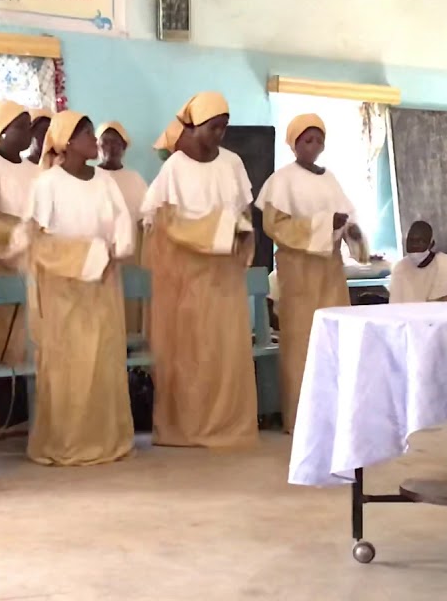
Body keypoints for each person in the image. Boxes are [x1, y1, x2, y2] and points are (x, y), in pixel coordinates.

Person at [141, 91, 259, 448]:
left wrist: (238, 230)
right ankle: (187, 426)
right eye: (212, 128)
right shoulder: (174, 167)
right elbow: (166, 224)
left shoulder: (233, 164)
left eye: (223, 129)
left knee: (224, 349)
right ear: (192, 128)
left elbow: (244, 214)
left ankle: (228, 423)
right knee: (191, 352)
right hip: (184, 277)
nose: (218, 136)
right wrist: (219, 229)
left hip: (224, 277)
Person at [23, 110, 136, 466]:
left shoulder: (104, 181)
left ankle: (106, 439)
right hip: (63, 288)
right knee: (69, 366)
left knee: (104, 360)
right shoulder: (47, 184)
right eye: (86, 133)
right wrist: (84, 257)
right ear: (67, 141)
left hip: (103, 284)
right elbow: (37, 241)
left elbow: (122, 224)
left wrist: (115, 249)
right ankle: (68, 441)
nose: (94, 140)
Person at [255, 113, 359, 433]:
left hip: (330, 268)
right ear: (294, 143)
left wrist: (352, 233)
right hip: (298, 269)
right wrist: (324, 224)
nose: (313, 146)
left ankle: (334, 415)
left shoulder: (330, 179)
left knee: (334, 338)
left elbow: (349, 221)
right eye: (306, 140)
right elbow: (275, 226)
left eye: (318, 140)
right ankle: (302, 417)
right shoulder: (281, 180)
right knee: (301, 341)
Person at [0, 100, 38, 373]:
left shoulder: (33, 169)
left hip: (32, 258)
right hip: (2, 260)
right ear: (1, 131)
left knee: (28, 336)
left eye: (29, 127)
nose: (28, 133)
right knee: (1, 337)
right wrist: (18, 233)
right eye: (21, 127)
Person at [96, 121, 150, 334]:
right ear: (97, 146)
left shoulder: (135, 180)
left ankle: (132, 363)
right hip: (99, 255)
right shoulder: (91, 177)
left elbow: (145, 219)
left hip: (131, 255)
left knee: (129, 311)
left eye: (116, 143)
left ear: (124, 147)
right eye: (105, 142)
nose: (110, 148)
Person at [388, 220, 447, 303]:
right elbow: (394, 305)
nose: (414, 245)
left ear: (431, 244)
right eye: (411, 240)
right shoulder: (400, 267)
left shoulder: (444, 264)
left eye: (420, 241)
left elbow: (441, 305)